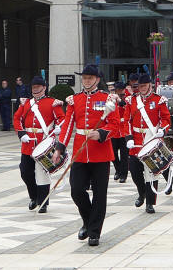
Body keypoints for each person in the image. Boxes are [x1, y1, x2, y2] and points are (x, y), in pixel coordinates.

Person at [52, 64, 120, 246]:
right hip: (80, 153)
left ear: (97, 79)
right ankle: (88, 221)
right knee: (76, 190)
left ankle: (94, 232)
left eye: (90, 78)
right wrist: (59, 148)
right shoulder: (74, 100)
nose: (87, 81)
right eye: (84, 78)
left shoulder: (108, 99)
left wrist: (102, 134)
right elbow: (67, 126)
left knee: (99, 194)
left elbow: (115, 125)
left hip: (101, 153)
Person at [13, 76, 65, 213]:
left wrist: (57, 129)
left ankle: (43, 203)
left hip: (44, 141)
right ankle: (34, 197)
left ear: (44, 88)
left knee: (42, 174)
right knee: (25, 172)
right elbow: (17, 118)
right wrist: (21, 133)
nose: (35, 90)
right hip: (28, 142)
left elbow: (63, 119)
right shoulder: (26, 103)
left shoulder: (52, 103)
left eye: (38, 87)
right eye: (33, 87)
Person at [123, 73, 170, 213]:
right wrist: (129, 137)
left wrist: (163, 129)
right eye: (140, 86)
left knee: (151, 172)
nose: (142, 88)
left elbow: (166, 118)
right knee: (135, 172)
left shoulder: (158, 100)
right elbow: (126, 120)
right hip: (136, 140)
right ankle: (141, 192)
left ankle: (150, 202)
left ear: (150, 85)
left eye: (144, 85)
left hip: (151, 138)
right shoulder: (131, 100)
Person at [112, 81, 129, 183]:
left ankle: (123, 175)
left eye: (121, 90)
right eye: (117, 90)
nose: (119, 92)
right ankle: (118, 170)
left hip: (124, 130)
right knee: (113, 154)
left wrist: (123, 103)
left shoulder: (127, 98)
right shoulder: (111, 98)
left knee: (124, 155)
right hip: (114, 130)